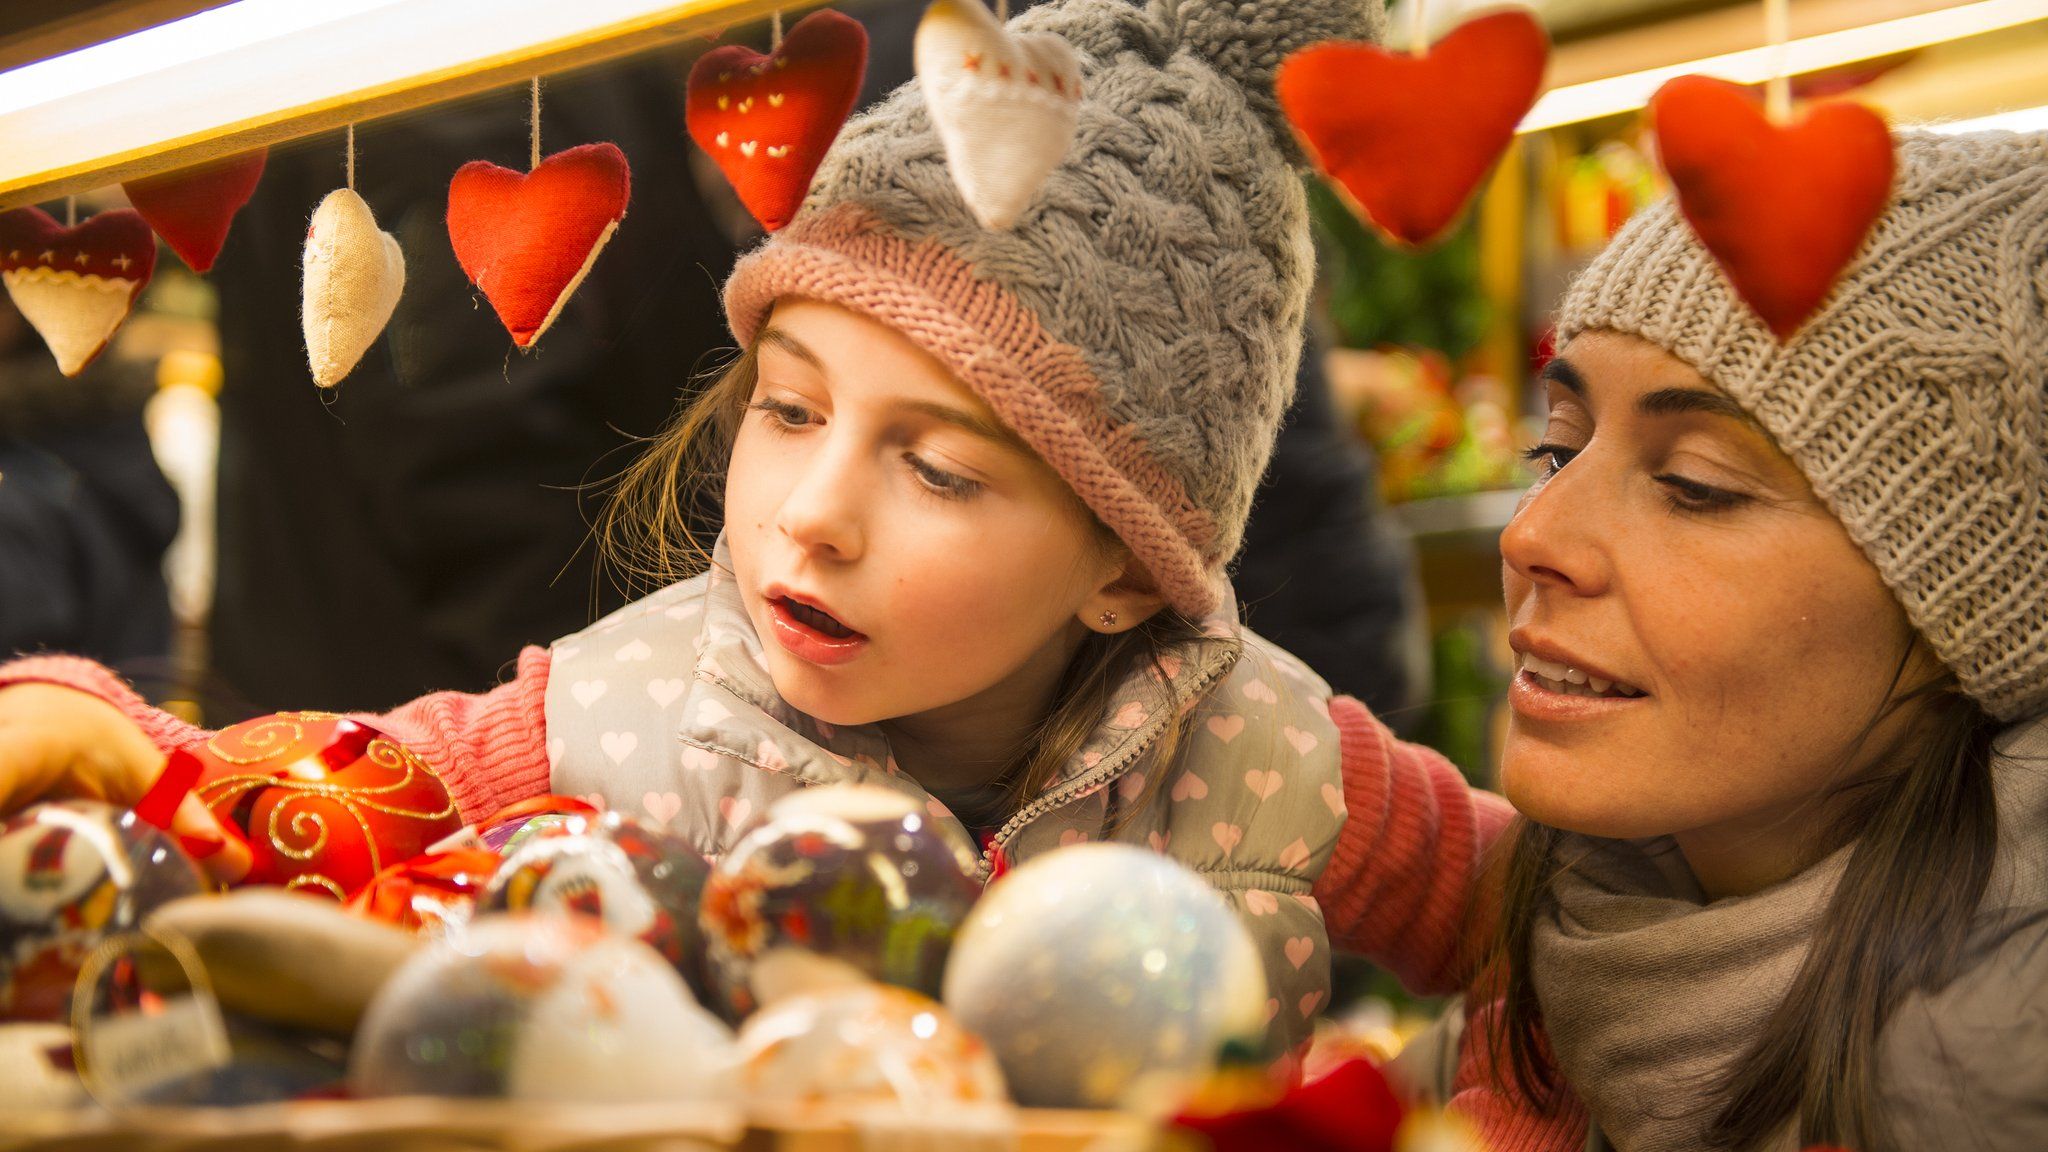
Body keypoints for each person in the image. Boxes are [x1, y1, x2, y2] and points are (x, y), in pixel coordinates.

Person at [0, 0, 1389, 1057]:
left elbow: (1547, 914)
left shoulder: (1270, 756)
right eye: (786, 412)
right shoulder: (617, 721)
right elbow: (317, 785)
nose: (815, 518)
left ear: (1130, 565)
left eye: (943, 472)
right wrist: (95, 729)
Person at [1312, 129, 2048, 1150]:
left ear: (1969, 602)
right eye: (1554, 448)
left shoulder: (1990, 1078)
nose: (1531, 536)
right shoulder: (1568, 954)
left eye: (1693, 485)